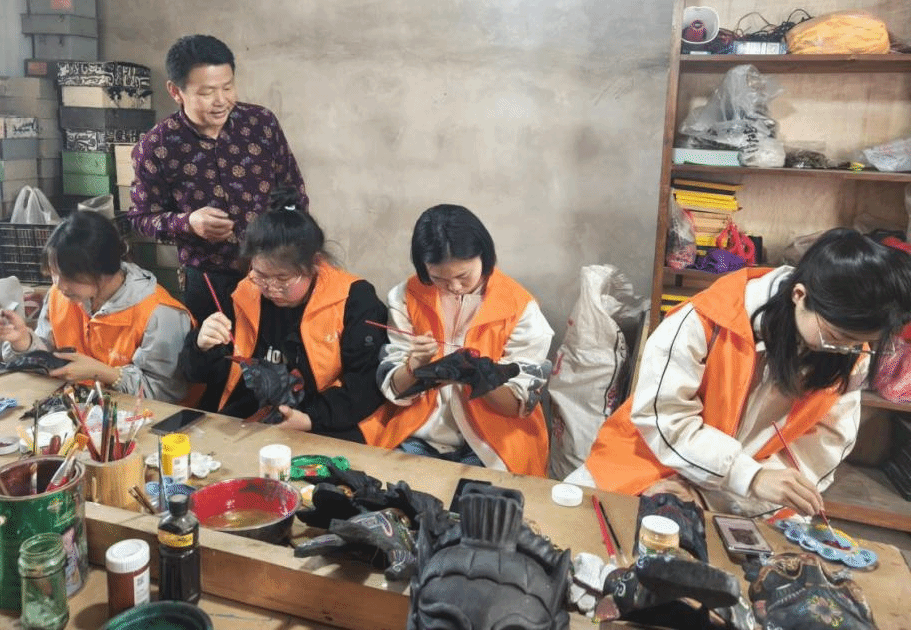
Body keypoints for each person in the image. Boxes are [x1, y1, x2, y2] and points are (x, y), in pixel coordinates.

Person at [574, 228, 911, 517]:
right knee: (587, 534)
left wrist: (737, 489)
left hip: (745, 495)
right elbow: (664, 419)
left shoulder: (849, 355)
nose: (845, 349)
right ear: (799, 296)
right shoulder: (707, 319)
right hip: (647, 462)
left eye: (860, 342)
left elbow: (819, 451)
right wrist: (745, 476)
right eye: (836, 336)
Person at [178, 189, 388, 441]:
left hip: (323, 426)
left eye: (282, 278)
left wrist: (310, 419)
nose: (270, 288)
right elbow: (199, 375)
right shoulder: (243, 294)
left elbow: (367, 384)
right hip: (246, 426)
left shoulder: (353, 299)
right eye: (261, 275)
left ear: (314, 264)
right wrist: (201, 346)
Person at [128, 34, 308, 325]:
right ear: (175, 91)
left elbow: (294, 192)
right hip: (208, 280)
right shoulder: (157, 146)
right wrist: (188, 223)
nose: (221, 101)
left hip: (274, 273)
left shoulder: (261, 124)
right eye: (207, 92)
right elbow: (141, 218)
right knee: (215, 350)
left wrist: (292, 251)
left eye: (228, 87)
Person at [361, 204, 553, 476]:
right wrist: (415, 366)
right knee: (388, 489)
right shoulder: (406, 296)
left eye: (463, 276)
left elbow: (517, 405)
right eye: (438, 278)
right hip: (420, 435)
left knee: (481, 500)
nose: (453, 287)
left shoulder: (519, 307)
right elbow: (394, 388)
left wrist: (478, 377)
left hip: (493, 443)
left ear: (484, 256)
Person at [0, 211, 193, 402]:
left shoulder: (161, 314)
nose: (59, 285)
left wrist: (103, 373)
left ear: (104, 270)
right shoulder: (60, 296)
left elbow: (166, 393)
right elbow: (50, 357)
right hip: (81, 411)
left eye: (70, 276)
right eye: (54, 273)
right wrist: (23, 341)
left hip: (145, 419)